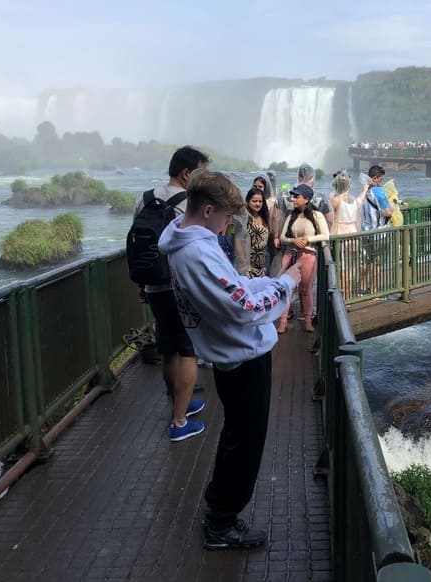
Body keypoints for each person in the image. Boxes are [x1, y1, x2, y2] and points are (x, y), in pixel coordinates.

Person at [158, 169, 301, 550]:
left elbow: (235, 290)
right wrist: (289, 280)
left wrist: (275, 280)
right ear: (208, 210)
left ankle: (220, 508)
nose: (225, 228)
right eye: (224, 219)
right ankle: (221, 523)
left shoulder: (185, 243)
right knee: (246, 442)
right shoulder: (197, 252)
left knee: (237, 436)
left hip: (231, 354)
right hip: (241, 358)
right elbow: (245, 306)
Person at [133, 145, 209, 442]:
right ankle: (179, 422)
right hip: (181, 288)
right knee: (188, 349)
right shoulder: (188, 204)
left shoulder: (144, 199)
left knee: (168, 347)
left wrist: (142, 284)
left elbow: (139, 246)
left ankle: (179, 401)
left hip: (153, 285)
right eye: (201, 173)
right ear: (187, 173)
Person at [276, 184, 329, 334]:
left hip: (308, 255)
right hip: (291, 254)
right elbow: (282, 237)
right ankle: (283, 321)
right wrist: (293, 241)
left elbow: (326, 235)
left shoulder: (317, 216)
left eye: (297, 197)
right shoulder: (291, 215)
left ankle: (307, 321)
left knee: (305, 289)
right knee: (287, 288)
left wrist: (308, 239)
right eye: (294, 196)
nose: (294, 199)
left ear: (306, 199)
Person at [359, 165, 393, 294]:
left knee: (365, 261)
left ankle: (361, 288)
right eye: (381, 179)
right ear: (375, 178)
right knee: (378, 263)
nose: (381, 182)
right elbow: (388, 212)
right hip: (380, 233)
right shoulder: (379, 192)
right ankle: (373, 290)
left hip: (365, 232)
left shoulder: (364, 191)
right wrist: (393, 206)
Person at [329, 170, 360, 299]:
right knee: (351, 267)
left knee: (341, 267)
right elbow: (358, 221)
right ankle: (349, 295)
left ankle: (342, 297)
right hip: (353, 235)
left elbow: (333, 221)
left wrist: (331, 237)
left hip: (340, 236)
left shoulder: (335, 200)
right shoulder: (354, 200)